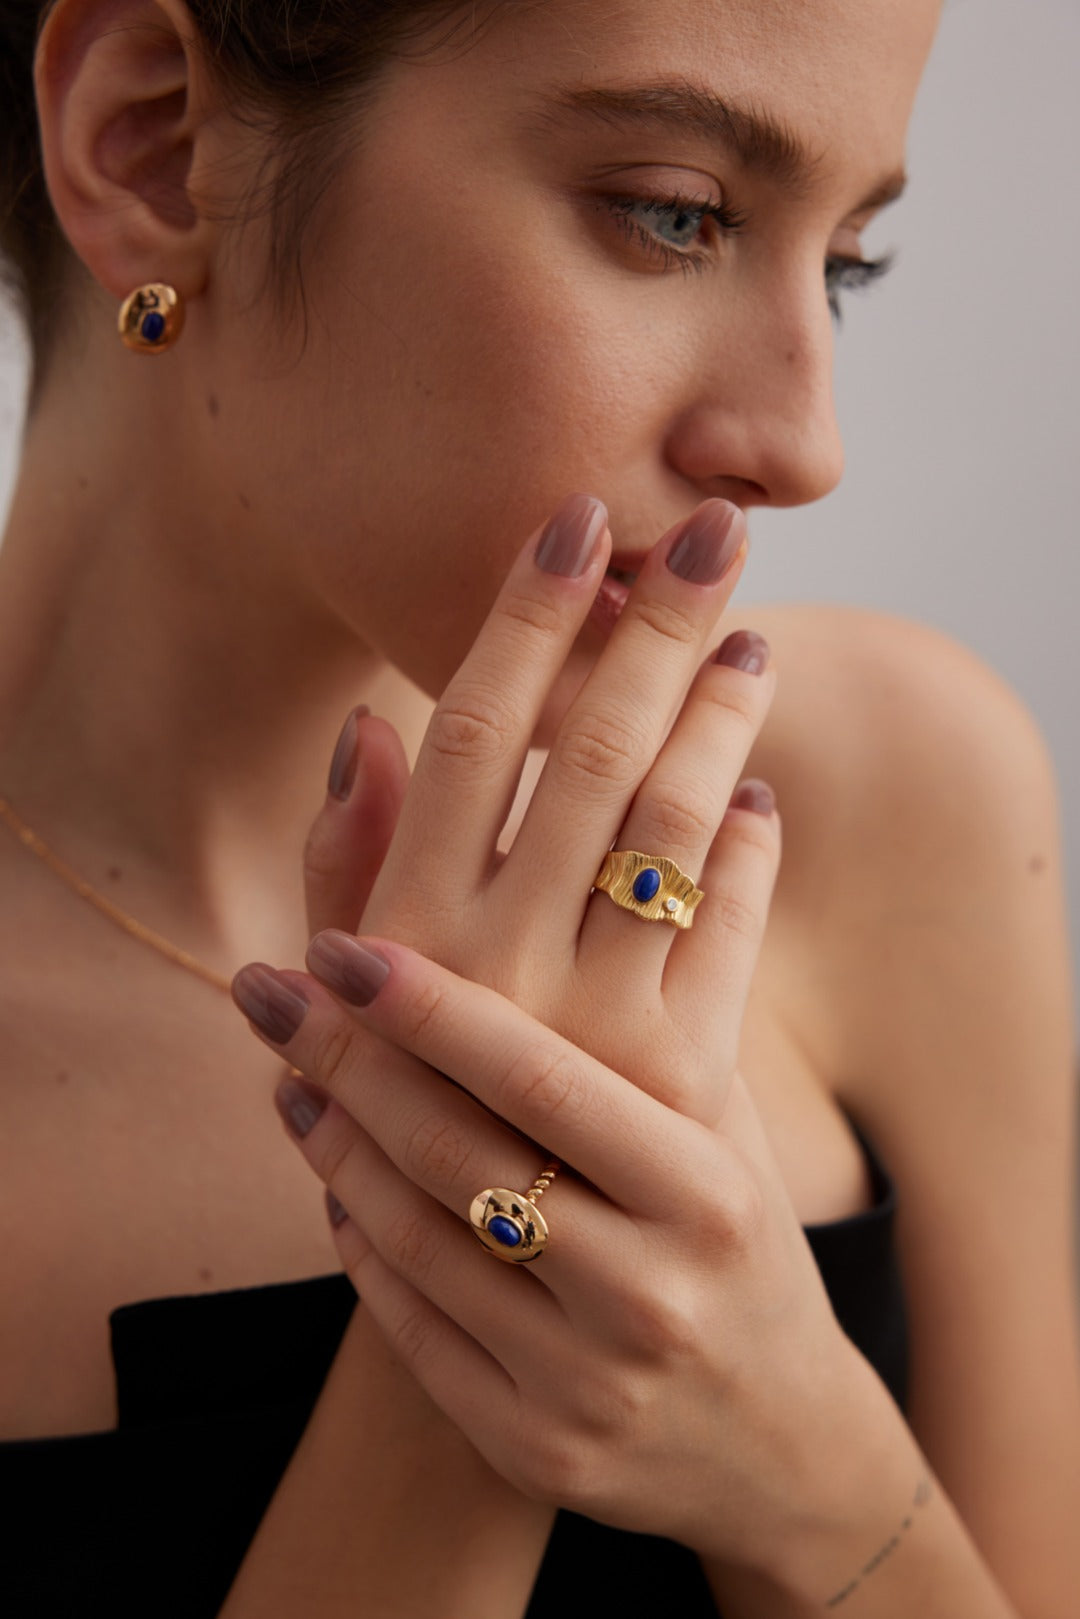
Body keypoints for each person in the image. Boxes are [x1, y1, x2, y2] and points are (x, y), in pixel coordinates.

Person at [0, 0, 1076, 1614]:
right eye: (678, 213)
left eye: (845, 264)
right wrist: (489, 1324)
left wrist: (818, 1471)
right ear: (153, 144)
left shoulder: (886, 795)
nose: (804, 441)